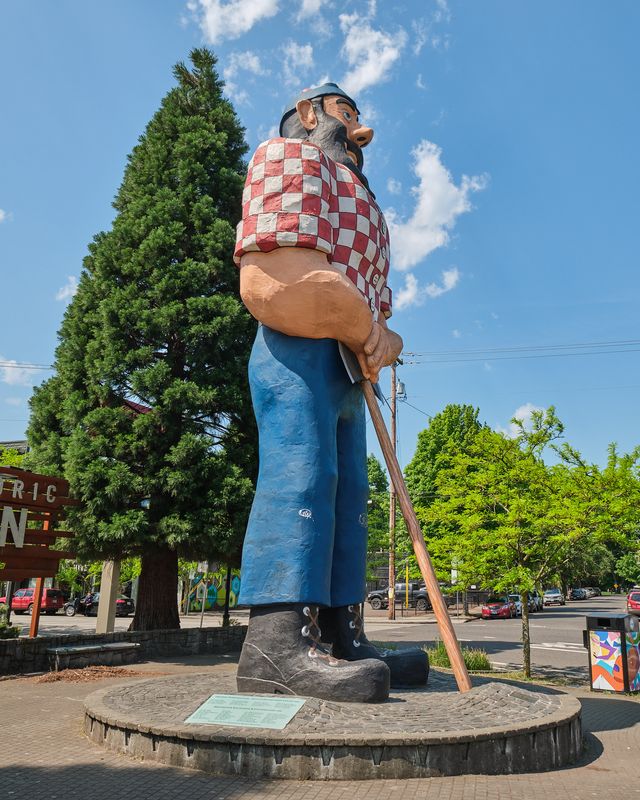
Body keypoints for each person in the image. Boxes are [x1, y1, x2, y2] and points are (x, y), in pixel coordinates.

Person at [234, 83, 428, 702]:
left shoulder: (366, 208)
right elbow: (273, 280)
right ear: (310, 113)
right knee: (302, 474)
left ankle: (344, 635)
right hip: (295, 349)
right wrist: (364, 326)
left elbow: (374, 302)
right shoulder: (290, 159)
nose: (361, 131)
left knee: (350, 493)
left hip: (348, 366)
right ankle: (273, 645)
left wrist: (379, 338)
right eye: (347, 115)